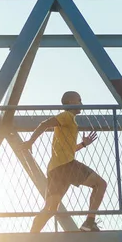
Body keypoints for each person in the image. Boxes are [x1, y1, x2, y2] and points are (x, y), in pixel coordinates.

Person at [22, 91, 107, 232]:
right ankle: (89, 222)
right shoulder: (67, 116)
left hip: (55, 168)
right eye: (79, 100)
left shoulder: (69, 121)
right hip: (67, 165)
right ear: (70, 102)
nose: (81, 103)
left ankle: (32, 237)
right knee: (100, 184)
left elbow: (68, 149)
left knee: (51, 207)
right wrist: (30, 141)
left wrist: (83, 144)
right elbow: (45, 124)